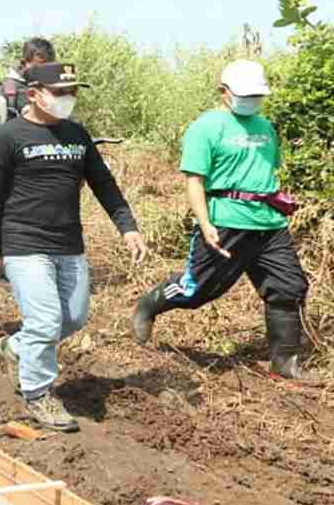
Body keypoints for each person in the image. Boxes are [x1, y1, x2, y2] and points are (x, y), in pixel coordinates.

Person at [0, 60, 148, 432]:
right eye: (59, 92)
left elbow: (104, 183)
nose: (67, 99)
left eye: (72, 92)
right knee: (45, 319)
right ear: (34, 93)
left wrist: (127, 226)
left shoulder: (77, 135)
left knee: (73, 318)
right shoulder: (6, 137)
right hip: (23, 242)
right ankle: (38, 393)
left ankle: (17, 347)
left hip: (68, 242)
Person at [130, 60, 315, 382]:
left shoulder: (265, 127)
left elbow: (266, 172)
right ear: (223, 92)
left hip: (269, 224)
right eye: (245, 94)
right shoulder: (205, 127)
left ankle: (285, 365)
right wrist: (205, 224)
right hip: (225, 221)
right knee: (199, 290)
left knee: (289, 288)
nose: (252, 100)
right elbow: (194, 180)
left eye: (257, 95)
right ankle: (149, 304)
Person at [0, 37, 55, 157]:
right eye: (39, 68)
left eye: (48, 68)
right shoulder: (3, 94)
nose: (44, 72)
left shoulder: (52, 91)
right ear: (23, 63)